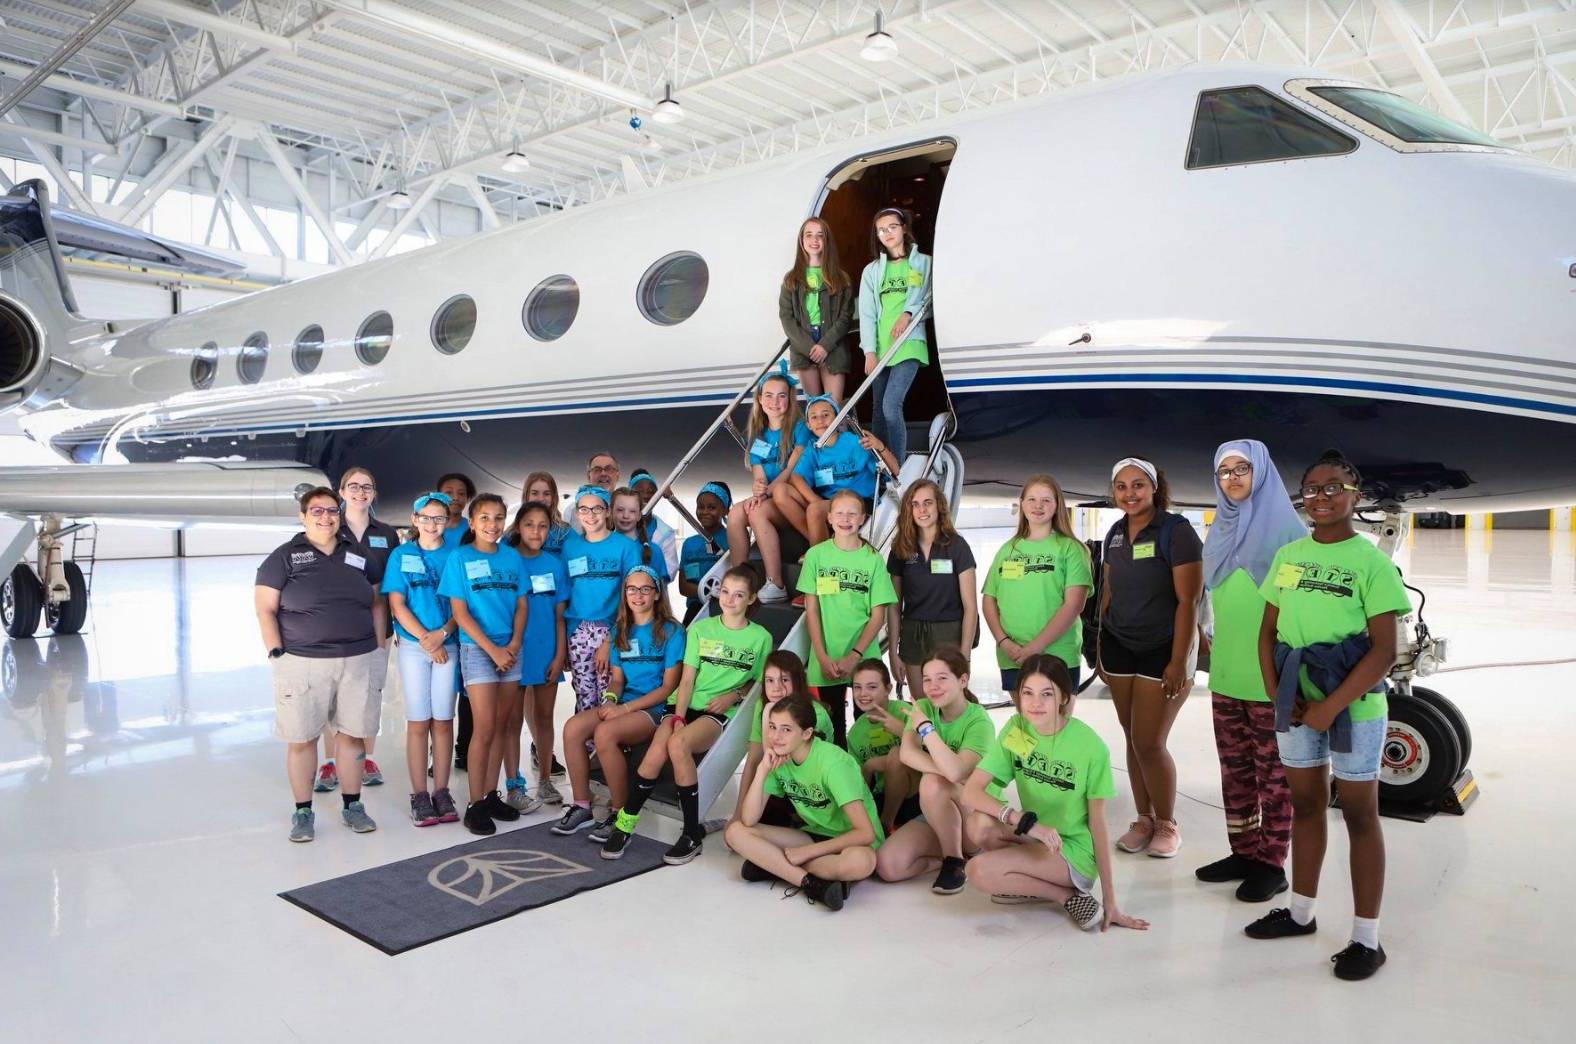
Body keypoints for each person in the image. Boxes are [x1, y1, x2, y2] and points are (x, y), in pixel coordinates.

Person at [1243, 450, 1409, 982]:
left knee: (1360, 814)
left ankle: (1366, 938)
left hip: (1353, 705)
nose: (1322, 496)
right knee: (1306, 805)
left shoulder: (1373, 564)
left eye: (1334, 487)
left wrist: (1329, 709)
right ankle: (1300, 913)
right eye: (1312, 488)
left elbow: (1383, 651)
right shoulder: (1289, 556)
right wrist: (1280, 696)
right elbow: (1267, 633)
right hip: (1296, 701)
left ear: (1355, 495)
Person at [962, 655, 1150, 932]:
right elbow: (971, 792)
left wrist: (1111, 900)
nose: (1035, 703)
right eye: (1028, 693)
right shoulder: (1017, 731)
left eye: (1046, 694)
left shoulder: (1090, 747)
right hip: (1038, 835)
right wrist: (1022, 820)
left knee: (977, 871)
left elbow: (1098, 825)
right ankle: (1061, 895)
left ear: (1063, 697)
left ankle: (1067, 890)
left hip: (1072, 850)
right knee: (978, 824)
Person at [600, 566, 773, 865]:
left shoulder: (761, 637)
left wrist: (734, 695)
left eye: (739, 594)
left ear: (752, 598)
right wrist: (677, 717)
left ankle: (691, 834)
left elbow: (756, 681)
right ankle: (625, 823)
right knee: (655, 753)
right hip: (682, 704)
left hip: (716, 713)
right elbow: (688, 679)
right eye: (725, 592)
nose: (729, 600)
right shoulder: (701, 629)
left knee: (678, 746)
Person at [1196, 439, 1306, 902]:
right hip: (1225, 678)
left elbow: (1300, 617)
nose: (1233, 478)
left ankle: (1271, 862)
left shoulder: (1292, 538)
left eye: (1242, 469)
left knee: (1273, 779)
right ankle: (1242, 850)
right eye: (1224, 471)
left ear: (1261, 472)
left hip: (1270, 683)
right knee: (1235, 772)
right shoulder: (1219, 532)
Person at [254, 486, 386, 842]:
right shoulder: (283, 557)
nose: (325, 517)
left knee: (353, 735)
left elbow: (376, 602)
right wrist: (276, 652)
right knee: (301, 739)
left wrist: (377, 648)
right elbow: (265, 608)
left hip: (358, 659)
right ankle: (302, 811)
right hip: (303, 661)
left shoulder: (357, 554)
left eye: (331, 511)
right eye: (317, 511)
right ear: (303, 516)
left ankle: (353, 805)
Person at [1099, 457, 1203, 860]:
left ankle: (1166, 823)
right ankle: (1143, 818)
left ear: (1154, 487)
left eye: (1138, 485)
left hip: (1164, 648)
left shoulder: (1176, 532)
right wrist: (1102, 646)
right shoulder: (1115, 533)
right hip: (1120, 645)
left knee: (1150, 742)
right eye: (1122, 487)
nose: (1130, 493)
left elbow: (1188, 601)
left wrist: (1179, 660)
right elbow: (1109, 590)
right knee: (1131, 736)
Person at [554, 565, 685, 839]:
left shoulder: (672, 631)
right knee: (573, 728)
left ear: (657, 594)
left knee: (605, 733)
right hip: (624, 702)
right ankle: (581, 805)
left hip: (654, 710)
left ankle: (620, 812)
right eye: (631, 589)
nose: (638, 595)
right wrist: (611, 699)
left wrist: (624, 708)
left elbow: (668, 687)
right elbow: (617, 680)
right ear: (624, 594)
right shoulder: (620, 631)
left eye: (645, 589)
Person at [724, 694, 883, 912]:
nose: (775, 737)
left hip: (851, 842)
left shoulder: (832, 763)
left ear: (806, 733)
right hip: (811, 835)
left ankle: (773, 867)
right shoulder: (778, 758)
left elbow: (865, 833)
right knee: (735, 832)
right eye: (772, 727)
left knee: (861, 863)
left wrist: (809, 853)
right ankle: (812, 884)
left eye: (786, 729)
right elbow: (749, 819)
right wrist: (761, 771)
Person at [437, 493, 531, 835]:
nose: (492, 525)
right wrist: (493, 650)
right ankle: (475, 803)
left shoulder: (512, 557)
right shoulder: (460, 558)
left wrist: (515, 643)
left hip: (510, 649)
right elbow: (460, 614)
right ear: (472, 522)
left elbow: (522, 605)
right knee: (485, 727)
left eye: (498, 518)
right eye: (485, 518)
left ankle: (491, 794)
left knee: (505, 725)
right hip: (479, 650)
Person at [874, 646, 999, 894]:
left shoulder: (978, 721)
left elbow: (957, 772)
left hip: (976, 817)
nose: (933, 686)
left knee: (931, 782)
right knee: (888, 866)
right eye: (927, 679)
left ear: (963, 680)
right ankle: (945, 856)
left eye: (942, 678)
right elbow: (907, 754)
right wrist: (948, 772)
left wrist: (927, 730)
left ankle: (954, 861)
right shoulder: (923, 707)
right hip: (939, 808)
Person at [313, 466, 400, 792]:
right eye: (353, 486)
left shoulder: (387, 533)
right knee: (334, 694)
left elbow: (394, 584)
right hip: (338, 626)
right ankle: (331, 762)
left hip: (379, 626)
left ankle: (365, 757)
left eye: (367, 486)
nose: (360, 492)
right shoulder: (330, 526)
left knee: (370, 692)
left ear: (374, 493)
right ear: (341, 490)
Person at [381, 491, 461, 827]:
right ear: (414, 520)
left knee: (443, 720)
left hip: (448, 643)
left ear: (447, 521)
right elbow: (397, 603)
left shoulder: (456, 556)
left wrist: (442, 634)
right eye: (425, 517)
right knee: (418, 720)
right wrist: (427, 640)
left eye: (438, 518)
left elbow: (462, 605)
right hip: (416, 648)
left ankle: (441, 790)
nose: (432, 524)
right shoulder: (401, 556)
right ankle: (419, 794)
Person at [797, 489, 897, 746]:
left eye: (852, 513)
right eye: (839, 513)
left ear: (862, 518)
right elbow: (812, 609)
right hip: (826, 657)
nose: (845, 518)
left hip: (863, 656)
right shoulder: (816, 556)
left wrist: (854, 655)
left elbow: (878, 617)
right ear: (829, 518)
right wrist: (820, 656)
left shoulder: (872, 560)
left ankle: (871, 781)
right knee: (833, 729)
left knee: (870, 727)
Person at [982, 474, 1091, 695]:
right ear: (1021, 504)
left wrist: (1035, 648)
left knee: (1056, 725)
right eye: (1031, 499)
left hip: (1058, 655)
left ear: (1057, 505)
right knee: (1024, 727)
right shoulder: (1008, 549)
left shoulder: (1071, 549)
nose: (1038, 506)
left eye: (1046, 500)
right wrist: (1004, 642)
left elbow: (1073, 606)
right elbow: (989, 599)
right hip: (1013, 656)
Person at [504, 501, 570, 809]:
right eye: (529, 524)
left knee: (544, 718)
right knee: (512, 720)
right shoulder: (506, 560)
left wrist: (559, 656)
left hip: (545, 650)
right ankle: (514, 784)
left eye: (542, 526)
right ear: (518, 527)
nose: (536, 531)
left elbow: (559, 616)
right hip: (514, 651)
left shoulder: (554, 565)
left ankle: (544, 779)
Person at [887, 479, 977, 695]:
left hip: (949, 631)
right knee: (922, 705)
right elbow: (894, 606)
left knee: (950, 702)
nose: (922, 510)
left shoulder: (956, 546)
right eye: (915, 504)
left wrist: (965, 655)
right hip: (913, 633)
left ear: (939, 506)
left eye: (928, 503)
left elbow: (971, 608)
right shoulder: (901, 548)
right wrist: (892, 652)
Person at [857, 207, 932, 466]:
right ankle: (877, 465)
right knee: (878, 412)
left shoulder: (921, 262)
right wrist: (869, 351)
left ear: (903, 228)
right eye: (881, 230)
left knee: (891, 406)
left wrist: (908, 313)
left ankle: (896, 465)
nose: (887, 233)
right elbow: (866, 313)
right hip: (881, 348)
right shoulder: (873, 271)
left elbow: (921, 293)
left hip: (909, 343)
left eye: (892, 227)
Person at [727, 370, 809, 603]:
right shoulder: (758, 435)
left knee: (757, 510)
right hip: (772, 496)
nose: (775, 402)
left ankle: (776, 583)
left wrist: (763, 496)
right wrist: (758, 490)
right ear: (760, 400)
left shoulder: (800, 428)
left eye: (781, 396)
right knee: (735, 512)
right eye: (769, 396)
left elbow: (791, 471)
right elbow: (759, 476)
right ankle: (739, 579)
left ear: (790, 399)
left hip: (791, 497)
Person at [561, 485, 643, 718]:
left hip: (613, 630)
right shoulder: (570, 547)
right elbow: (566, 595)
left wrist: (609, 640)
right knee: (584, 697)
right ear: (577, 513)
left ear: (608, 511)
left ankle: (606, 749)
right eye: (584, 509)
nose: (590, 514)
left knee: (610, 697)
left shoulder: (626, 547)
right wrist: (567, 639)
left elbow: (632, 597)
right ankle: (586, 752)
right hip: (578, 632)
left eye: (597, 508)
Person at [729, 650, 833, 828]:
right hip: (781, 781)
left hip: (813, 792)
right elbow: (755, 760)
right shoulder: (763, 706)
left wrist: (768, 712)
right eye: (769, 680)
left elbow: (784, 758)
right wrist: (737, 814)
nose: (776, 687)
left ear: (797, 681)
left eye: (784, 680)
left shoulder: (816, 714)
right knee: (741, 827)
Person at [777, 394, 897, 546]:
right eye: (814, 417)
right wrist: (817, 501)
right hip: (829, 504)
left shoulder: (856, 441)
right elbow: (796, 477)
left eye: (826, 415)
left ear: (837, 418)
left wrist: (880, 446)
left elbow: (895, 471)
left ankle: (820, 561)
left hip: (860, 502)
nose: (820, 421)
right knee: (781, 491)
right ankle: (824, 546)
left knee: (815, 510)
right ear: (808, 425)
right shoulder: (813, 448)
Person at [779, 216, 855, 402]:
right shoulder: (791, 279)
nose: (814, 240)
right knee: (813, 409)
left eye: (820, 235)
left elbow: (846, 316)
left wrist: (824, 345)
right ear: (801, 240)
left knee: (833, 408)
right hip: (803, 346)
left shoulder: (841, 278)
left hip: (832, 346)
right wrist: (809, 347)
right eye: (809, 235)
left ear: (827, 240)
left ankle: (838, 432)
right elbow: (786, 317)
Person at [846, 659, 915, 835]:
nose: (863, 693)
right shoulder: (855, 732)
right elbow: (860, 782)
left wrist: (903, 732)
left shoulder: (905, 713)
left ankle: (886, 823)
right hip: (880, 796)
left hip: (915, 794)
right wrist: (869, 767)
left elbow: (931, 754)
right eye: (857, 687)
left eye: (871, 687)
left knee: (895, 754)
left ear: (888, 689)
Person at [679, 482, 731, 624]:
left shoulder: (733, 538)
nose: (705, 512)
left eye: (712, 507)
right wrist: (705, 592)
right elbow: (683, 586)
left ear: (725, 510)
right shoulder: (689, 544)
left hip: (726, 608)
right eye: (700, 507)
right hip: (696, 609)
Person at [612, 485, 673, 590]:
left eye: (632, 511)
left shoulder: (654, 551)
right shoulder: (600, 548)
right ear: (610, 511)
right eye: (620, 510)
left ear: (639, 515)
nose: (626, 515)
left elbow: (661, 596)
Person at [628, 469, 681, 582]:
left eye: (650, 491)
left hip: (656, 595)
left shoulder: (666, 532)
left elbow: (669, 571)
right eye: (640, 491)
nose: (646, 495)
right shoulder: (619, 528)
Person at [522, 471, 571, 555]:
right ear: (526, 496)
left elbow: (579, 566)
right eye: (534, 493)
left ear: (553, 498)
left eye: (547, 494)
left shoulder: (565, 532)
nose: (541, 499)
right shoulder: (512, 534)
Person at [436, 472, 475, 550]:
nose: (455, 497)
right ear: (438, 496)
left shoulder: (474, 528)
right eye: (449, 492)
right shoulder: (426, 526)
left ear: (467, 498)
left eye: (461, 493)